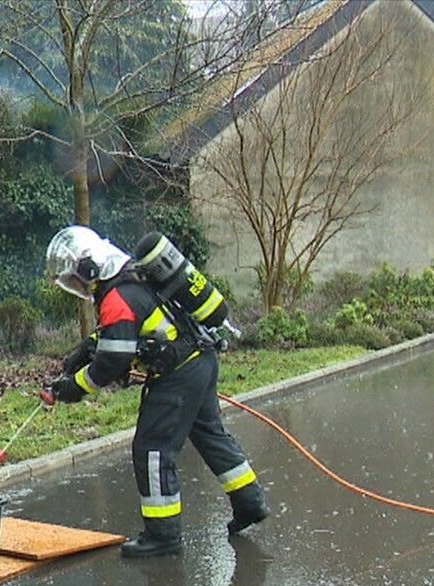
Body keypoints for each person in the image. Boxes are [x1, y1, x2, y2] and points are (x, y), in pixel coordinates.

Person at [43, 225, 269, 558]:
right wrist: (85, 350)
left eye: (75, 279)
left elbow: (112, 361)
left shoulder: (115, 296)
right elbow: (130, 325)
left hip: (178, 374)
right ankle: (250, 503)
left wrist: (72, 387)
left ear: (87, 271)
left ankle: (162, 536)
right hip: (200, 360)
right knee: (209, 434)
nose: (77, 286)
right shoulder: (131, 276)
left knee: (152, 449)